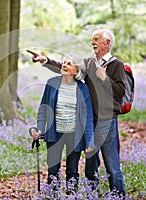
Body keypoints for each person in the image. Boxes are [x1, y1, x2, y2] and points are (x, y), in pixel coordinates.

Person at [28, 29, 126, 197]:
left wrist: (105, 78)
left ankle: (119, 195)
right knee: (90, 166)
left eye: (96, 39)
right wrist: (45, 60)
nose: (92, 42)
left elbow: (120, 91)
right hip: (89, 122)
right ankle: (91, 195)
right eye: (92, 39)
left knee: (112, 164)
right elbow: (69, 68)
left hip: (106, 121)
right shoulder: (89, 63)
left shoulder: (116, 64)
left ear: (107, 43)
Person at [29, 54, 95, 194]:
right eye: (64, 62)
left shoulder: (83, 89)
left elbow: (87, 117)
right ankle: (53, 196)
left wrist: (89, 141)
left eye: (69, 64)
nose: (64, 65)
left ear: (76, 71)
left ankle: (72, 196)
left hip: (74, 135)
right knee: (53, 169)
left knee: (72, 170)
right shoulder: (52, 83)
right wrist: (40, 129)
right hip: (55, 133)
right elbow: (43, 109)